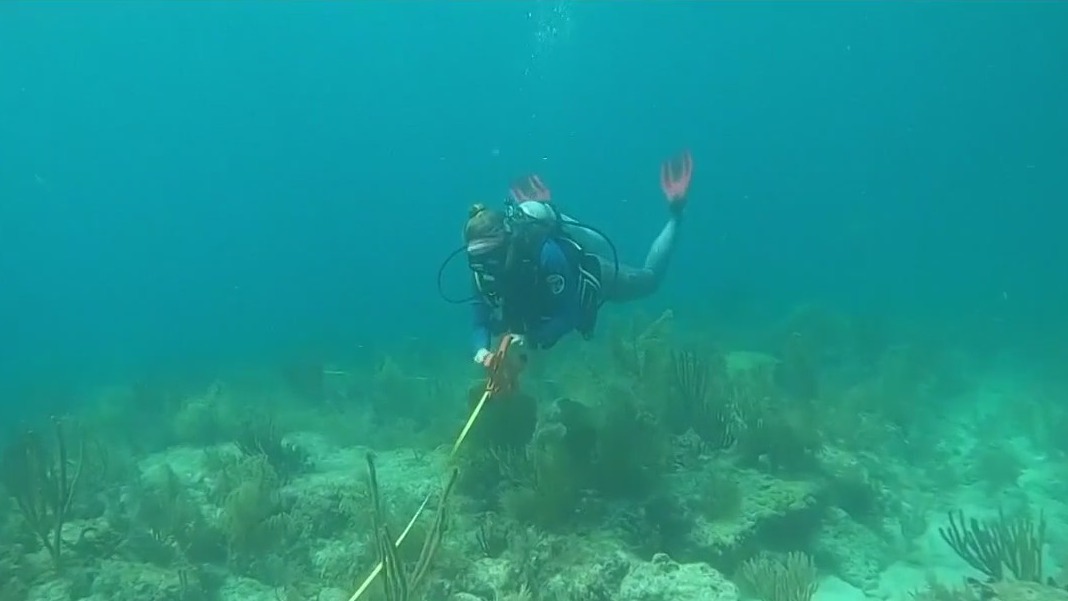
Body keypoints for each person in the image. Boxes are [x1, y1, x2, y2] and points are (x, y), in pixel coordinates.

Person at [463, 151, 694, 366]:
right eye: (479, 256)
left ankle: (676, 215)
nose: (488, 263)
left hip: (587, 276)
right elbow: (479, 319)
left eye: (493, 254)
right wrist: (481, 351)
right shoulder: (481, 271)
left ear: (509, 241)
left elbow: (570, 311)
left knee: (648, 281)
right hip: (540, 306)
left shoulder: (542, 252)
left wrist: (532, 338)